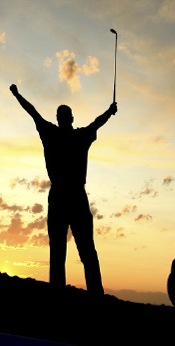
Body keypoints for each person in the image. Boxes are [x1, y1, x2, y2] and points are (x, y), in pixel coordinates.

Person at [10, 79, 116, 293]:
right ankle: (96, 294)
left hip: (59, 196)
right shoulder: (80, 136)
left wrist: (17, 94)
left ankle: (58, 295)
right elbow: (97, 122)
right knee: (87, 251)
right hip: (76, 196)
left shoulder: (51, 133)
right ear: (71, 119)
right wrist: (110, 111)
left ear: (59, 119)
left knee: (58, 253)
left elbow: (32, 112)